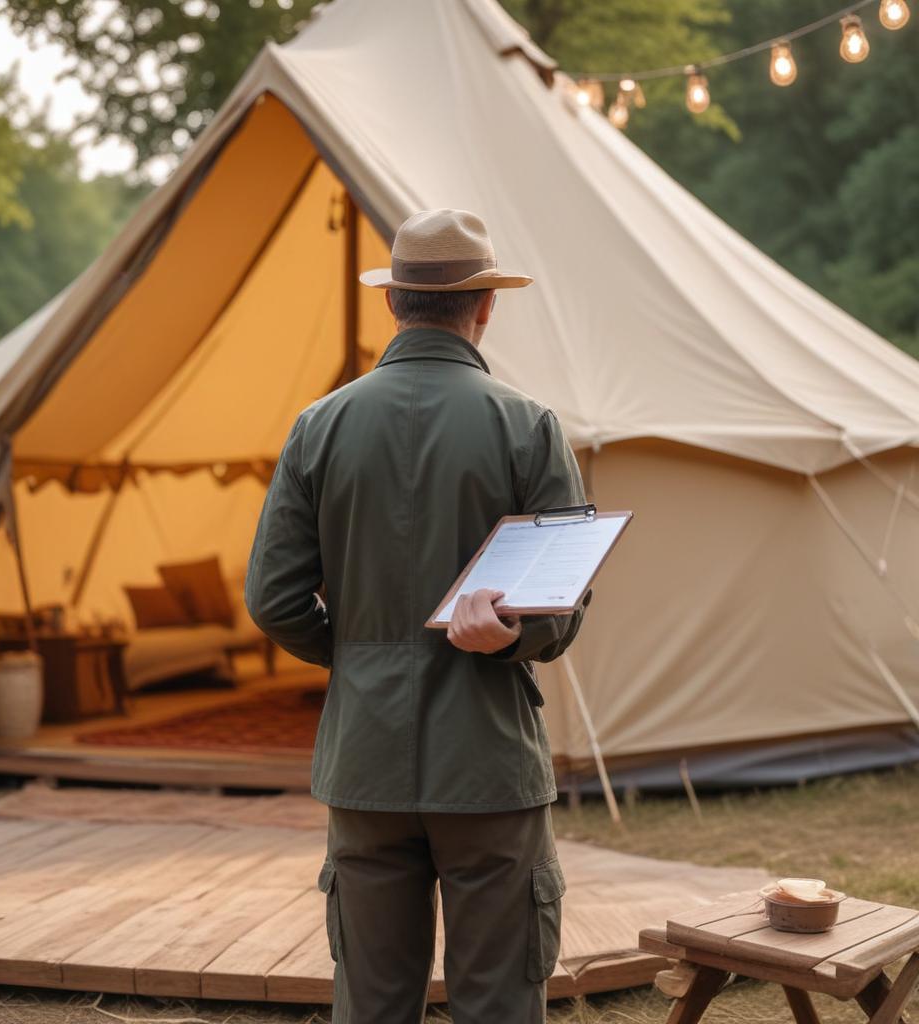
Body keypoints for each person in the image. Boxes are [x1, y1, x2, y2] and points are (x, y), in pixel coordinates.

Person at [245, 208, 590, 1024]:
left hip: (363, 762)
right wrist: (511, 637)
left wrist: (361, 655)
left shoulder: (317, 428)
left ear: (393, 302)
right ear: (486, 306)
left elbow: (272, 599)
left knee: (371, 1003)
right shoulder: (529, 427)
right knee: (500, 1001)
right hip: (490, 766)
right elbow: (562, 606)